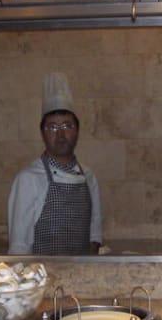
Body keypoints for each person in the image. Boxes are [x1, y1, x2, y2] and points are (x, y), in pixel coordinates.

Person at [8, 72, 103, 255]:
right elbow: (19, 246)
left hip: (81, 270)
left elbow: (95, 234)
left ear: (77, 131)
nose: (60, 135)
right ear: (42, 133)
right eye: (52, 127)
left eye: (67, 126)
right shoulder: (28, 179)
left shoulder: (88, 176)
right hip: (42, 271)